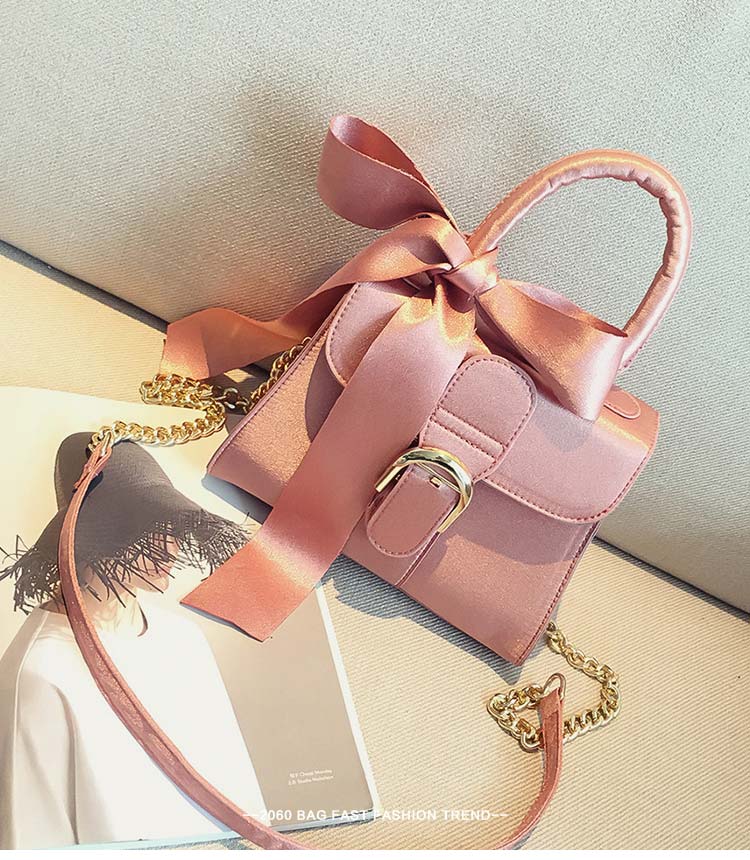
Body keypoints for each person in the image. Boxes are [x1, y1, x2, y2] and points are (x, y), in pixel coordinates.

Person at [0, 435, 265, 848]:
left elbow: (241, 795)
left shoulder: (184, 640)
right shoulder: (40, 672)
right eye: (150, 527)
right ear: (97, 533)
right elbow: (32, 840)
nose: (171, 546)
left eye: (172, 525)